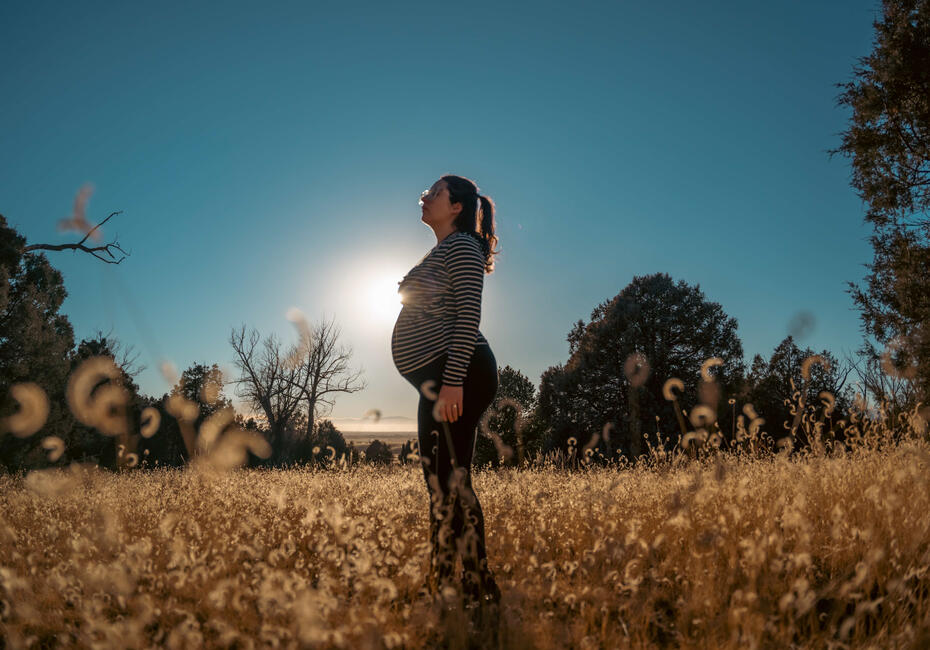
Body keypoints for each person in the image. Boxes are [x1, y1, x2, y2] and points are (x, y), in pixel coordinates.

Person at [391, 174, 502, 610]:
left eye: (434, 192)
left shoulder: (461, 248)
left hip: (459, 376)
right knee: (442, 484)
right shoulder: (445, 250)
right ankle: (448, 581)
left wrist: (453, 380)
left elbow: (468, 315)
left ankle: (475, 584)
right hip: (441, 380)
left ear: (456, 206)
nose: (425, 196)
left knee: (450, 483)